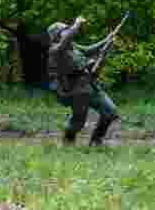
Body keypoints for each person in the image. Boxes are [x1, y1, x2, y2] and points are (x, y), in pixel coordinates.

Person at [47, 16, 121, 146]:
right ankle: (68, 141)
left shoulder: (73, 46)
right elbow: (64, 42)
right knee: (78, 122)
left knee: (110, 112)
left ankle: (96, 141)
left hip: (89, 84)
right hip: (74, 90)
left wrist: (107, 40)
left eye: (67, 30)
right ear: (57, 36)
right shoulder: (56, 50)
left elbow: (89, 50)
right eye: (64, 30)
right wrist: (76, 24)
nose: (68, 31)